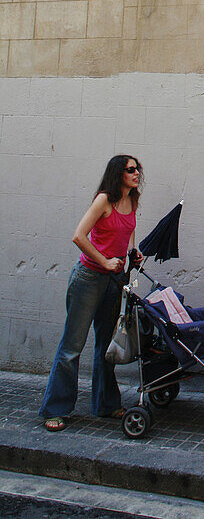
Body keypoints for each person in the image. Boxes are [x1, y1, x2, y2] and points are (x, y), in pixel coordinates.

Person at [39, 156, 144, 431]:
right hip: (89, 278)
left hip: (115, 278)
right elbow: (79, 236)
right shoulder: (103, 200)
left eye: (138, 169)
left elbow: (129, 230)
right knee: (72, 347)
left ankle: (106, 405)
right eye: (131, 170)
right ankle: (55, 409)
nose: (137, 174)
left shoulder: (132, 200)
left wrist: (132, 252)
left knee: (106, 346)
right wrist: (104, 260)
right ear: (117, 174)